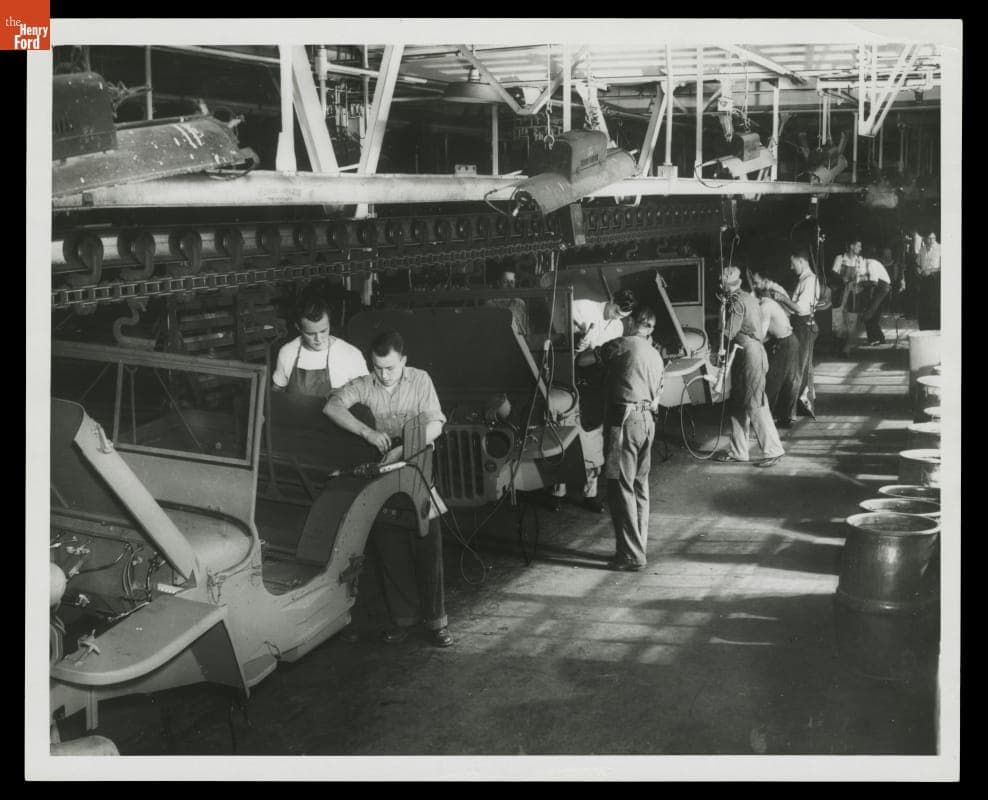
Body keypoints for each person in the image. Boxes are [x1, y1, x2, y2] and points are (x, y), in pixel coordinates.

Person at [322, 330, 453, 648]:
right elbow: (333, 407)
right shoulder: (366, 383)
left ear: (404, 361)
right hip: (384, 472)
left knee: (428, 547)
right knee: (391, 546)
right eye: (377, 367)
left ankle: (436, 623)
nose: (383, 374)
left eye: (390, 367)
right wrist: (367, 432)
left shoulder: (421, 380)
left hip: (419, 466)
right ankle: (403, 621)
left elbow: (436, 423)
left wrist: (405, 449)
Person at [582, 307, 665, 571]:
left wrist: (588, 344)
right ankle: (637, 547)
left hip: (624, 423)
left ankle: (631, 556)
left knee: (619, 487)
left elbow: (582, 361)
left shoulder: (622, 344)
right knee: (640, 486)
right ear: (650, 327)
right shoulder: (655, 353)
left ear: (630, 322)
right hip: (647, 423)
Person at [551, 288, 637, 513]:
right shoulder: (581, 307)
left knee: (593, 438)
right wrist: (577, 341)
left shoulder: (618, 326)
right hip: (570, 379)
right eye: (617, 311)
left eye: (623, 316)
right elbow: (558, 336)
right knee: (564, 434)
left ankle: (590, 493)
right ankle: (557, 492)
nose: (618, 317)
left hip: (596, 384)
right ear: (611, 300)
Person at [714, 267, 786, 467]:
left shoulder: (737, 301)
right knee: (737, 402)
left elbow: (729, 331)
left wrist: (715, 350)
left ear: (725, 286)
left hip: (750, 355)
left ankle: (773, 450)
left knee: (755, 402)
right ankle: (738, 451)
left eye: (721, 285)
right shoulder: (748, 298)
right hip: (744, 354)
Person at [272, 294, 368, 396]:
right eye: (310, 333)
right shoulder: (287, 352)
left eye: (323, 331)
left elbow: (367, 396)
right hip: (295, 412)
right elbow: (277, 391)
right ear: (298, 328)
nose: (318, 339)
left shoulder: (351, 355)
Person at [771, 250, 820, 418]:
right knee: (802, 369)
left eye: (793, 263)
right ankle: (798, 407)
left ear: (801, 261)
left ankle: (787, 414)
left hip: (804, 326)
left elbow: (799, 308)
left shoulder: (810, 280)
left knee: (795, 371)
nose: (791, 267)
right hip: (802, 325)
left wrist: (782, 298)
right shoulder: (804, 280)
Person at [750, 269, 801, 428]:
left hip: (786, 343)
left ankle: (766, 418)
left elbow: (762, 334)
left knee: (773, 380)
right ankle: (784, 417)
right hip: (789, 341)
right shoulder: (769, 303)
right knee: (786, 381)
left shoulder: (766, 306)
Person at [831, 238, 865, 357]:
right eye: (858, 246)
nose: (860, 249)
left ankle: (847, 349)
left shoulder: (860, 260)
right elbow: (834, 274)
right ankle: (838, 347)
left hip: (854, 294)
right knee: (838, 322)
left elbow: (863, 275)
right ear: (851, 246)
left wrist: (860, 280)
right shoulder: (840, 258)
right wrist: (842, 279)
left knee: (852, 321)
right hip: (841, 293)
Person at [857, 248, 893, 346]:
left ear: (863, 258)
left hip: (882, 289)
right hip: (878, 289)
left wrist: (869, 299)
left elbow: (874, 282)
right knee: (870, 315)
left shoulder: (871, 264)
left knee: (869, 314)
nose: (857, 263)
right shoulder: (864, 265)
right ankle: (877, 338)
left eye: (858, 261)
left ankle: (875, 338)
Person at [485, 266, 529, 337]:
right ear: (499, 283)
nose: (509, 285)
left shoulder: (520, 303)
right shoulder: (490, 304)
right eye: (505, 281)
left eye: (512, 282)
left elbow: (523, 328)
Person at [913, 230, 941, 330]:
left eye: (932, 238)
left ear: (935, 238)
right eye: (928, 238)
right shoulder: (922, 249)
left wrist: (931, 271)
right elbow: (917, 264)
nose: (930, 240)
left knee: (934, 304)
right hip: (924, 280)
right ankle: (925, 328)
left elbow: (943, 266)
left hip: (936, 280)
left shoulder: (940, 248)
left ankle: (935, 328)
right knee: (924, 305)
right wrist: (920, 271)